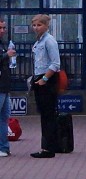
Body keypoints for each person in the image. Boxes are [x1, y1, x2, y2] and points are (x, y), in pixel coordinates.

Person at [29, 14, 61, 158]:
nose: (36, 28)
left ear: (46, 26)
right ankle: (48, 146)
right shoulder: (38, 41)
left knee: (48, 114)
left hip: (47, 79)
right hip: (38, 77)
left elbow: (55, 63)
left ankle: (48, 148)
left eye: (39, 25)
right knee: (44, 113)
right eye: (34, 25)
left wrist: (45, 79)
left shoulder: (49, 41)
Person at [0, 18, 15, 158]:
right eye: (0, 28)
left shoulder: (3, 43)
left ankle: (4, 147)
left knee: (4, 117)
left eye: (4, 28)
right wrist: (6, 55)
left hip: (4, 86)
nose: (3, 31)